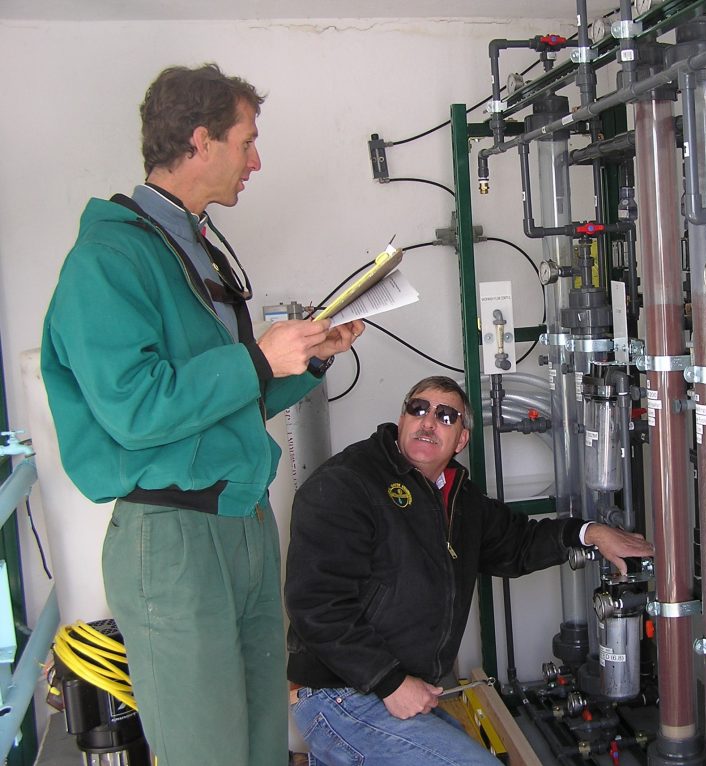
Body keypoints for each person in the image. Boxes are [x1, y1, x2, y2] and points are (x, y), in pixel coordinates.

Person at [40, 63, 363, 766]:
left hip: (240, 524)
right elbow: (136, 406)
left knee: (260, 746)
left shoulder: (190, 245)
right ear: (200, 140)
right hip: (175, 539)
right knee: (207, 754)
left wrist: (306, 360)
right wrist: (255, 358)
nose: (256, 160)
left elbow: (226, 400)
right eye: (247, 141)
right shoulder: (107, 259)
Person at [285, 375, 654, 766]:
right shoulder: (348, 483)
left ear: (461, 440)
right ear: (402, 417)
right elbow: (317, 604)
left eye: (446, 416)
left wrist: (590, 532)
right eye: (419, 408)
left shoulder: (458, 498)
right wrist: (389, 682)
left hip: (391, 689)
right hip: (341, 692)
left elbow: (518, 542)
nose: (428, 422)